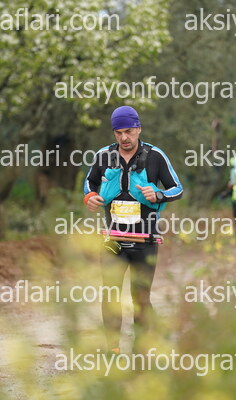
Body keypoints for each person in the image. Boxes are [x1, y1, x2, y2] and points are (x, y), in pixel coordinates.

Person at [83, 106, 183, 354]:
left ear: (138, 129)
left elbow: (177, 188)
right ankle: (112, 350)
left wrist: (158, 194)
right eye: (118, 133)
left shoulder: (155, 156)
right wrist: (90, 197)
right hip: (113, 240)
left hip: (145, 240)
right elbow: (89, 183)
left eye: (128, 131)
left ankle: (141, 351)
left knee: (140, 297)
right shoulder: (104, 156)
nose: (124, 137)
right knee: (110, 295)